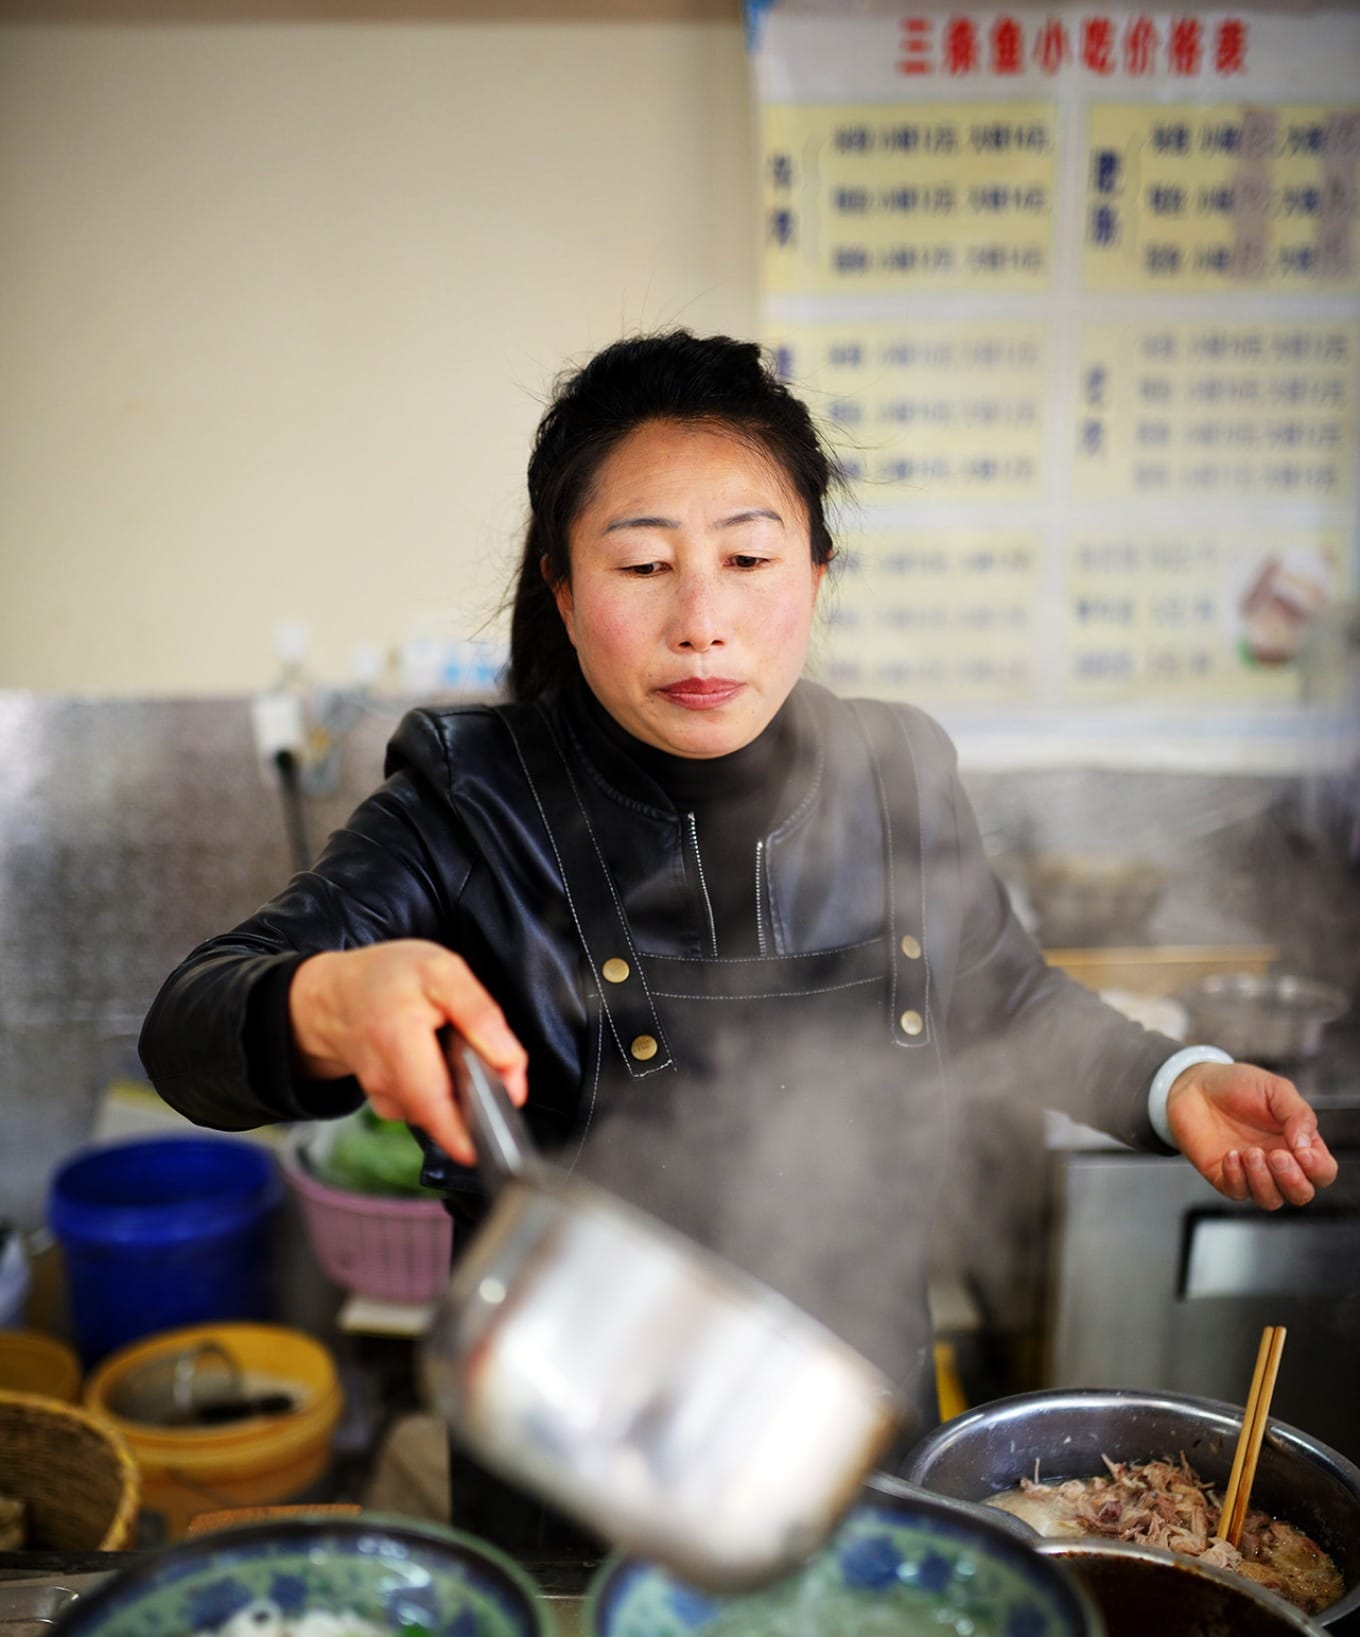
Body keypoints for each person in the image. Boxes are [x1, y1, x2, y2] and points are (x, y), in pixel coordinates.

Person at [140, 330, 1337, 1529]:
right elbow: (193, 1021)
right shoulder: (470, 798)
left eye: (749, 556)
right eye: (644, 565)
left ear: (815, 574)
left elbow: (1009, 1000)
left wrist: (1172, 1079)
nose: (702, 620)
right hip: (570, 1481)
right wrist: (328, 999)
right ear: (561, 589)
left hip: (859, 1451)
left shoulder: (897, 771)